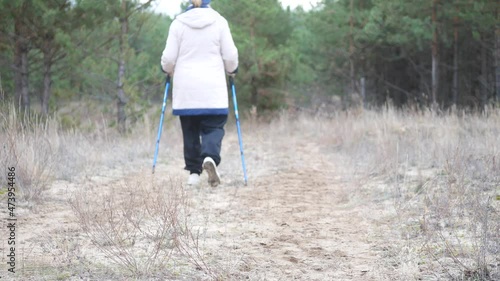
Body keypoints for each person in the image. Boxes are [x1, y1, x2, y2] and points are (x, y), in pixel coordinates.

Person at [161, 0, 238, 187]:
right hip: (213, 90)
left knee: (190, 131)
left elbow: (169, 58)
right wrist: (232, 70)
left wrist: (166, 69)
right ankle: (210, 157)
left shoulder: (178, 23)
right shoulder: (219, 21)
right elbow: (230, 56)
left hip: (186, 90)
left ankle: (194, 174)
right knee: (214, 128)